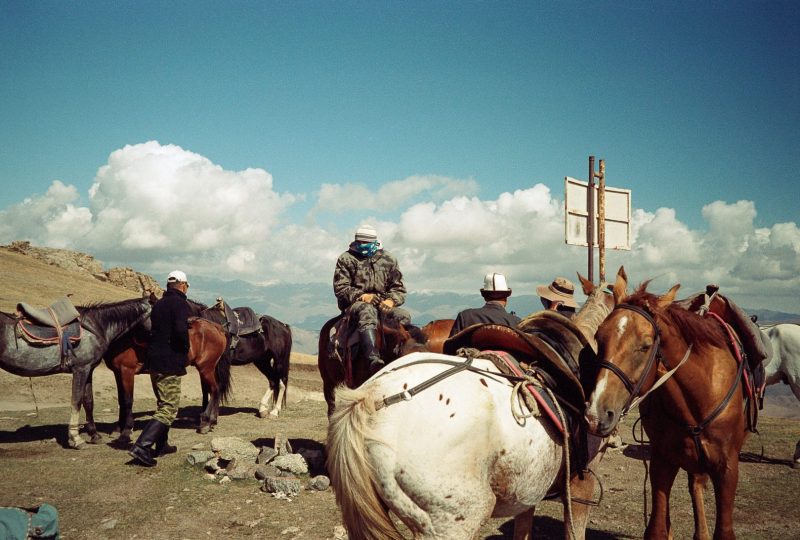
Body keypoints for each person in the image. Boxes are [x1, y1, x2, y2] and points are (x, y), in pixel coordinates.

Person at [128, 270, 191, 467]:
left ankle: (161, 444)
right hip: (169, 362)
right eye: (187, 285)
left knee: (162, 403)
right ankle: (142, 446)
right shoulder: (180, 303)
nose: (187, 288)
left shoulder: (159, 304)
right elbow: (181, 330)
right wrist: (185, 348)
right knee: (169, 408)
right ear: (182, 285)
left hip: (154, 361)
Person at [333, 225, 409, 374]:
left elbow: (399, 289)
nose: (362, 246)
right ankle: (373, 359)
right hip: (355, 305)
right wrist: (361, 296)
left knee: (404, 315)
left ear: (375, 242)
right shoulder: (346, 258)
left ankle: (401, 355)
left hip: (383, 304)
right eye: (359, 243)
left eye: (365, 243)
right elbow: (341, 288)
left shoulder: (389, 259)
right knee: (367, 311)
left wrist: (391, 301)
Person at [449, 272, 522, 336]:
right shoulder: (516, 322)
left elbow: (450, 347)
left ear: (485, 297)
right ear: (506, 298)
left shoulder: (465, 316)